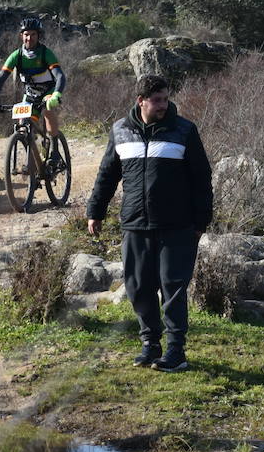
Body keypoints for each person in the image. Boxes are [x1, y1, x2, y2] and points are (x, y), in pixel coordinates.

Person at [86, 74, 213, 372]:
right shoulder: (120, 131)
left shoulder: (183, 130)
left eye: (165, 99)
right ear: (140, 101)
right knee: (138, 286)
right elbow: (107, 175)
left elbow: (201, 178)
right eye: (156, 100)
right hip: (134, 223)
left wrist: (201, 220)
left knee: (173, 287)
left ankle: (176, 351)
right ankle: (150, 343)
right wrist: (96, 211)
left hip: (177, 225)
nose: (162, 105)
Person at [0, 16, 68, 170]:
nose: (29, 38)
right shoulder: (17, 56)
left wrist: (56, 95)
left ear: (38, 36)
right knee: (23, 126)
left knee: (48, 110)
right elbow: (1, 78)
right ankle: (32, 163)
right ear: (21, 36)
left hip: (48, 91)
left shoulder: (45, 53)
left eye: (33, 34)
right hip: (30, 94)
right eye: (26, 34)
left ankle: (55, 151)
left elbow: (60, 76)